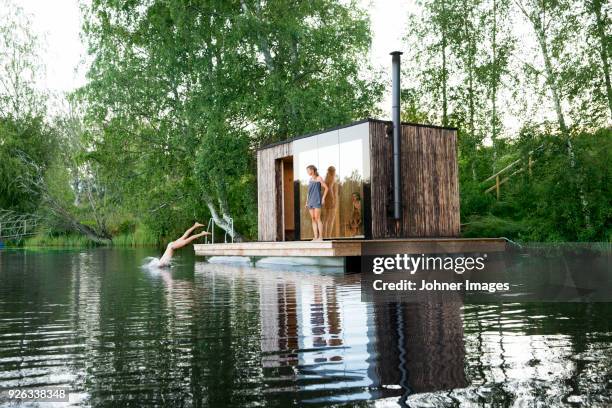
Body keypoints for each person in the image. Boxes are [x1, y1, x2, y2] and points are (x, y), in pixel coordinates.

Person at [305, 165, 329, 241]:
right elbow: (308, 192)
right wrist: (306, 201)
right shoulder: (310, 179)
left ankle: (320, 237)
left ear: (312, 170)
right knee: (313, 218)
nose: (307, 172)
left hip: (317, 200)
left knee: (317, 218)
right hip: (310, 201)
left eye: (308, 170)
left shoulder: (319, 178)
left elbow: (326, 188)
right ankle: (315, 237)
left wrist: (323, 198)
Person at [323, 166, 339, 238]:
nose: (335, 172)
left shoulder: (326, 179)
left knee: (326, 219)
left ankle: (325, 236)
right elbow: (330, 189)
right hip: (331, 200)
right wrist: (333, 199)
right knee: (331, 220)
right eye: (335, 171)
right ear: (333, 172)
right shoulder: (332, 178)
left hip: (327, 200)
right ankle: (329, 236)